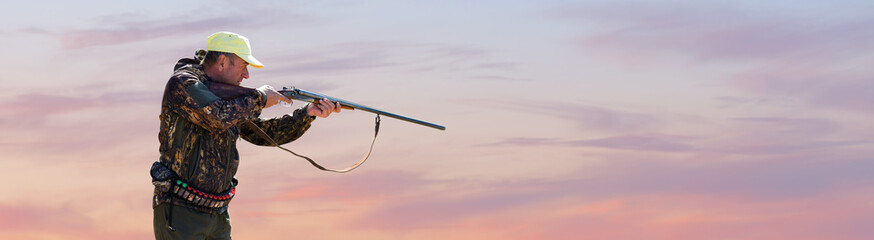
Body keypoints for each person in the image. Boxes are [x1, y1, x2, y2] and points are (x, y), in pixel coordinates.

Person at [150, 31, 340, 240]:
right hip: (180, 212)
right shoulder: (183, 83)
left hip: (218, 214)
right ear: (222, 62)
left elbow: (266, 134)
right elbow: (218, 116)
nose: (247, 75)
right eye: (243, 66)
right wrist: (258, 98)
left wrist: (307, 114)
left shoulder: (231, 101)